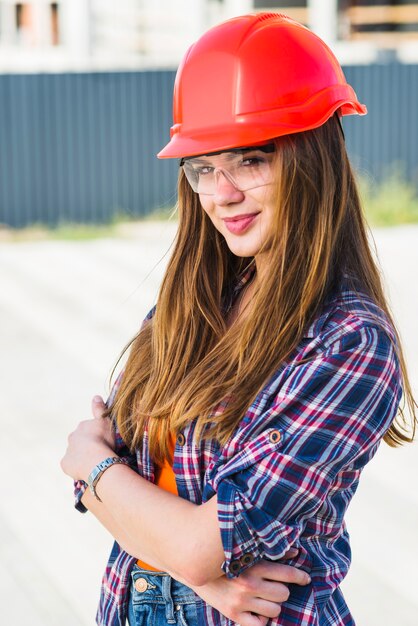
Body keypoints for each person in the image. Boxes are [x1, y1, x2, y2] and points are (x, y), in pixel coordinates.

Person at [61, 12, 417, 626]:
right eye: (202, 166)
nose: (220, 193)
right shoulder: (191, 305)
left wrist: (87, 463)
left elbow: (199, 539)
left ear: (312, 162)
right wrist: (189, 567)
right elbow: (155, 519)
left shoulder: (350, 342)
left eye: (250, 160)